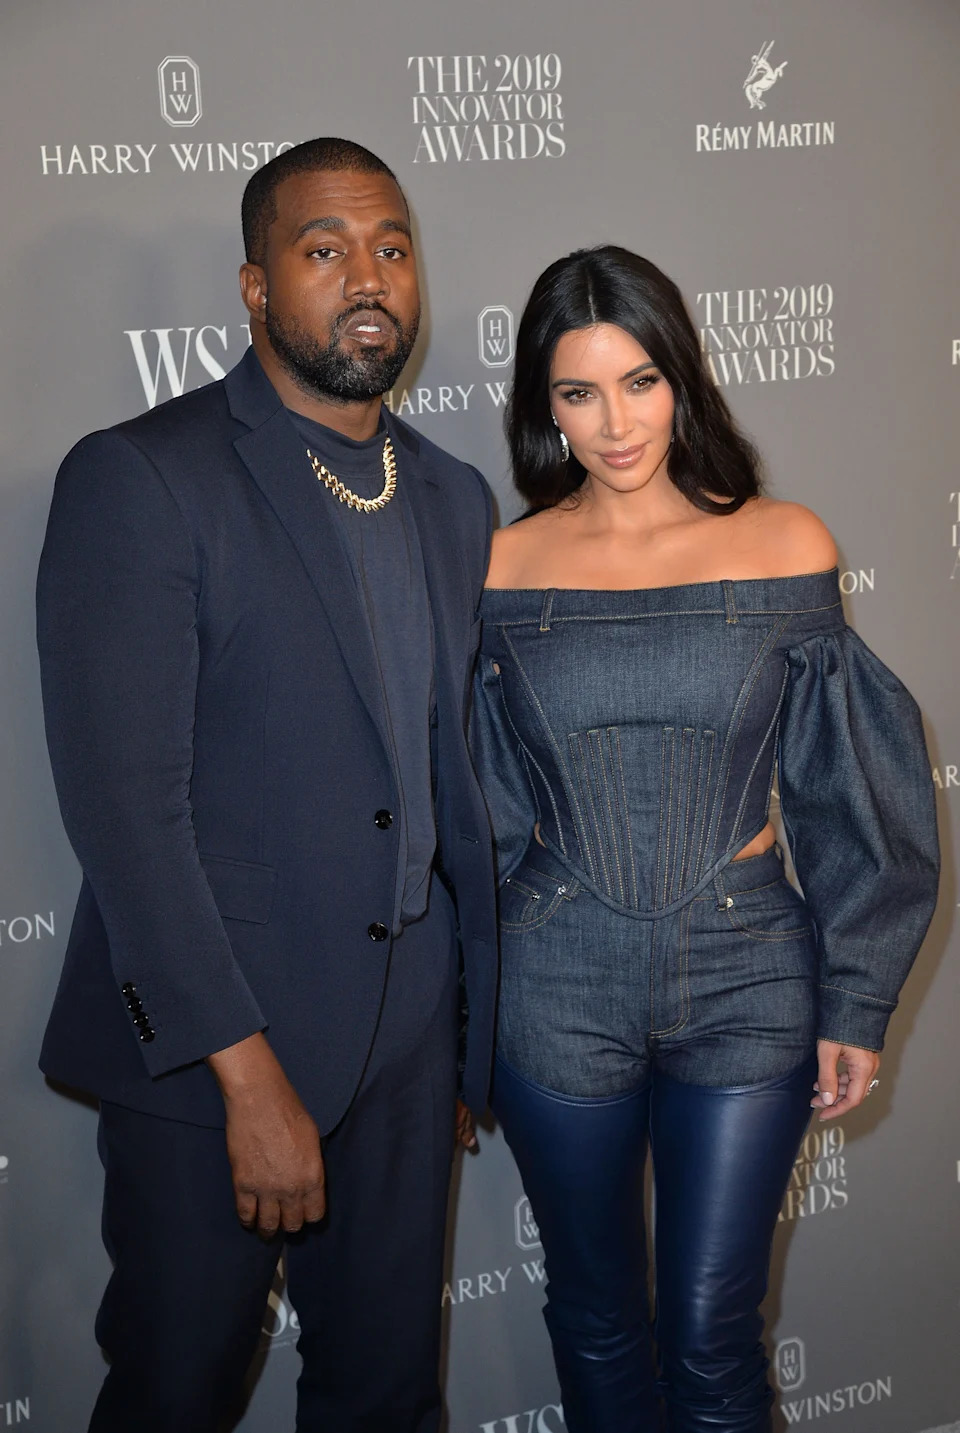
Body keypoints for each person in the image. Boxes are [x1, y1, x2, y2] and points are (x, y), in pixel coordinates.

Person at [36, 137, 497, 1433]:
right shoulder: (145, 478)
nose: (369, 277)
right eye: (325, 249)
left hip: (406, 1046)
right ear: (253, 286)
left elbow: (446, 793)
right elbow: (127, 814)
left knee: (386, 1397)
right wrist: (249, 1080)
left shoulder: (454, 499)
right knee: (177, 1393)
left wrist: (461, 1035)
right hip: (214, 1053)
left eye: (392, 248)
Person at [471, 245, 939, 1433]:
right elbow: (474, 805)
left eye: (639, 381)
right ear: (542, 405)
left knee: (717, 1332)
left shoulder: (786, 543)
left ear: (683, 377)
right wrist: (453, 1010)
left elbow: (853, 793)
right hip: (552, 978)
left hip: (748, 976)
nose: (614, 421)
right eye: (577, 392)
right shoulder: (497, 564)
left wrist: (856, 997)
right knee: (592, 1318)